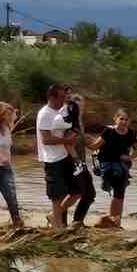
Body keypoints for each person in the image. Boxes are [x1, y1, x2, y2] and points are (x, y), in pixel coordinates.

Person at [37, 82, 81, 228]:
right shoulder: (45, 114)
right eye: (61, 97)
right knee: (56, 196)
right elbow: (46, 139)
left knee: (77, 191)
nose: (64, 100)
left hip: (66, 155)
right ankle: (58, 226)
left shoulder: (63, 110)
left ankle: (53, 217)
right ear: (51, 97)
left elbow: (71, 127)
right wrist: (66, 140)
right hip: (52, 159)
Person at [91, 108, 137, 227]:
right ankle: (113, 220)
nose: (123, 122)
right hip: (107, 166)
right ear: (115, 119)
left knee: (119, 193)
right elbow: (94, 146)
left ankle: (114, 220)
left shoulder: (131, 133)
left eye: (126, 120)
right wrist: (82, 139)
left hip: (122, 166)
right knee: (117, 193)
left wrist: (129, 157)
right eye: (121, 119)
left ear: (129, 121)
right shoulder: (108, 131)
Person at [63, 88, 97, 226]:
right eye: (76, 102)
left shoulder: (79, 122)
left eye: (81, 103)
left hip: (80, 161)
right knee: (73, 193)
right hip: (70, 161)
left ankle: (77, 221)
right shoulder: (69, 120)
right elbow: (67, 141)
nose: (79, 105)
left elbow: (89, 144)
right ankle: (61, 220)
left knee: (89, 194)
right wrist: (76, 160)